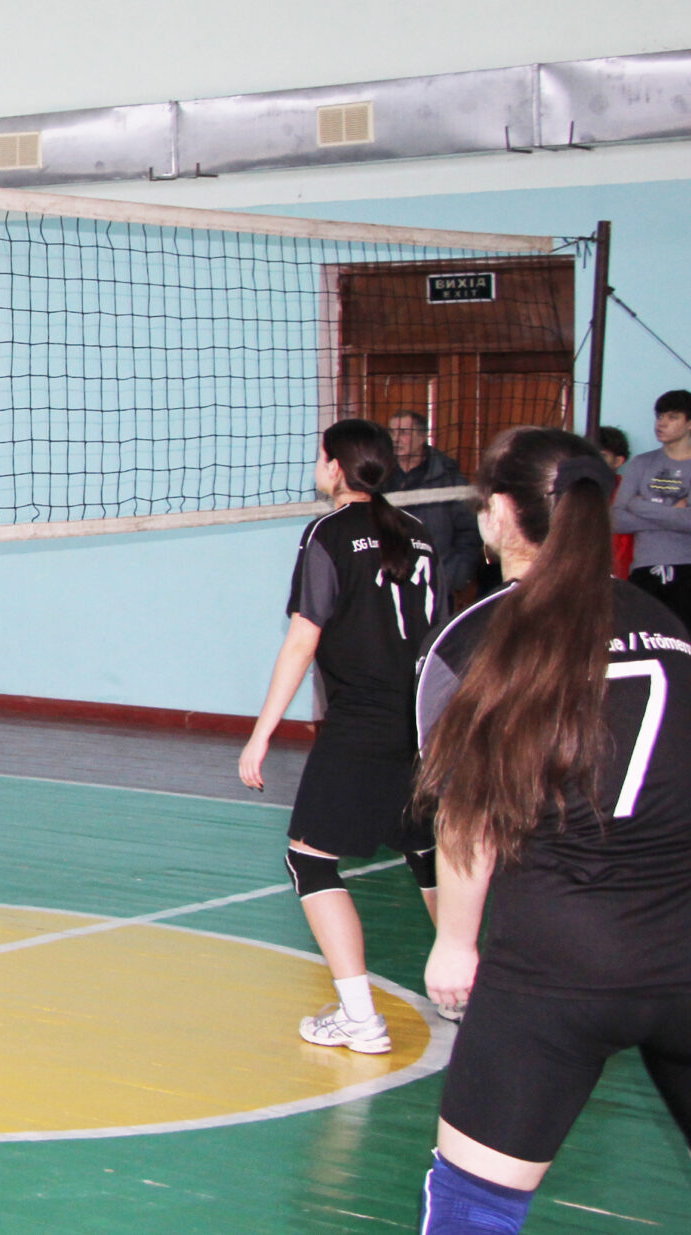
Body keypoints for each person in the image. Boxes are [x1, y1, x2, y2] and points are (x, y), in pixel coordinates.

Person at [410, 427, 691, 1233]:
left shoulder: (476, 639)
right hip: (681, 948)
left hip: (554, 964)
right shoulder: (670, 624)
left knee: (474, 1207)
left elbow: (469, 811)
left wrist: (455, 942)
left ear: (501, 513)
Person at [238, 419, 441, 1054]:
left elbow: (304, 638)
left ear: (334, 466)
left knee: (309, 858)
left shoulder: (327, 533)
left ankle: (359, 1017)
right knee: (425, 848)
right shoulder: (417, 532)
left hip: (363, 721)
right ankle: (469, 993)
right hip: (423, 719)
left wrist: (261, 734)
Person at [384, 410, 482, 600]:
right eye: (392, 432)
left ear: (422, 437)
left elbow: (469, 531)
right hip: (388, 585)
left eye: (403, 432)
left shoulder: (448, 478)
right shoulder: (380, 477)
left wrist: (455, 575)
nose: (396, 439)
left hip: (437, 585)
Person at [615, 389, 691, 628]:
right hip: (644, 569)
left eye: (672, 417)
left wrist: (638, 505)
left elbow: (689, 522)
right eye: (659, 416)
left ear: (689, 423)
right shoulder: (641, 463)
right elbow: (616, 519)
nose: (662, 423)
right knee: (644, 637)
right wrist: (673, 512)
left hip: (686, 569)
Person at [596, 425, 634, 581]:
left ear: (618, 461)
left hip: (621, 577)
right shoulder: (574, 491)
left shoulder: (629, 492)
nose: (594, 461)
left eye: (602, 455)